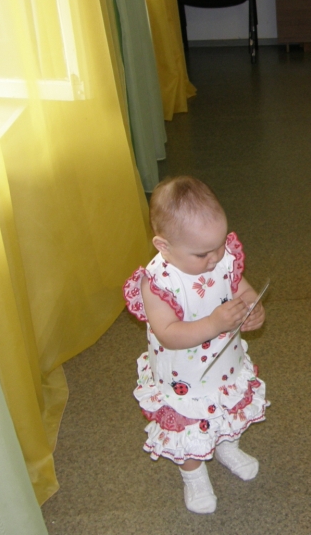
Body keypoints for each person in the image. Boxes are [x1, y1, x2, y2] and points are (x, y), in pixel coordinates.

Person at [123, 176, 268, 514]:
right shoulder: (158, 283)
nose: (215, 257)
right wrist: (214, 324)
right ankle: (194, 474)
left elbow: (241, 288)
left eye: (219, 245)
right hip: (183, 375)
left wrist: (253, 307)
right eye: (203, 253)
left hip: (224, 362)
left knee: (229, 406)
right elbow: (168, 333)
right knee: (187, 425)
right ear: (164, 246)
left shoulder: (220, 257)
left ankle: (227, 446)